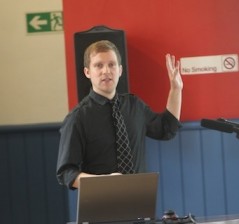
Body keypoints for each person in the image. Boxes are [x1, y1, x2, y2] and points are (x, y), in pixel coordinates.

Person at [56, 40, 183, 189]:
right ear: (87, 72)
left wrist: (176, 90)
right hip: (99, 203)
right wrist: (102, 182)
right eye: (98, 65)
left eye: (111, 64)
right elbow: (66, 173)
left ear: (120, 70)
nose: (106, 71)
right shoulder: (78, 118)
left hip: (139, 199)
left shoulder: (135, 106)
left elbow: (167, 129)